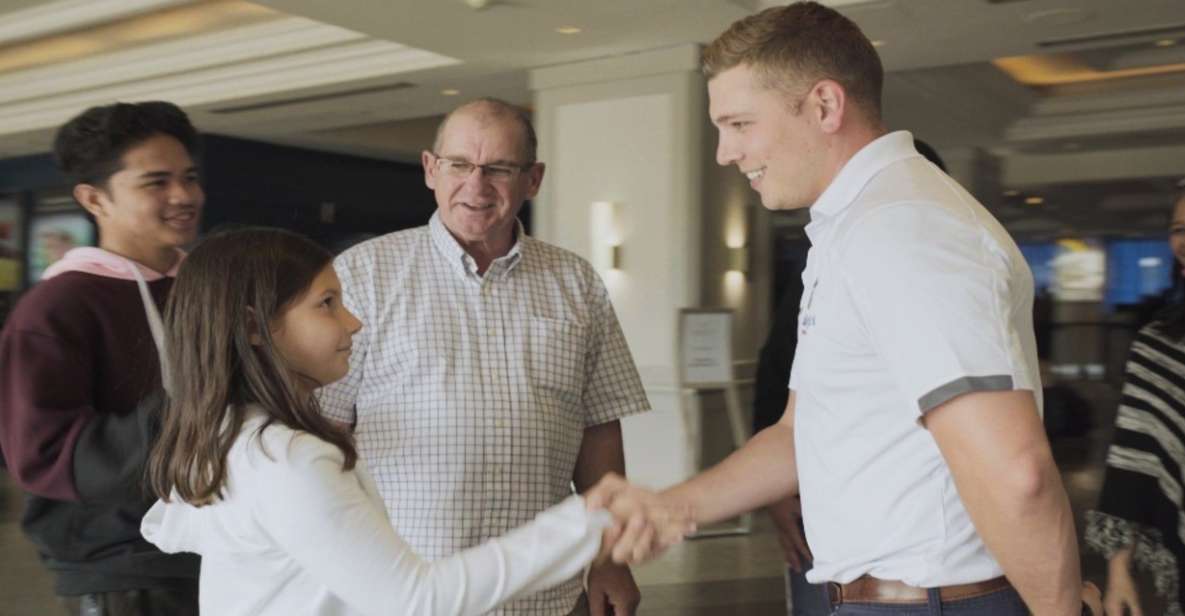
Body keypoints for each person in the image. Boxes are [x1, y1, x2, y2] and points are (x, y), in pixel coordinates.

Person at [606, 3, 1104, 614]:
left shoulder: (903, 230)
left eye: (738, 124)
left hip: (935, 603)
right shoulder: (854, 227)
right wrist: (670, 507)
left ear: (824, 106)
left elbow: (1015, 472)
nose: (724, 153)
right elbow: (800, 431)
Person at [139, 227, 689, 616]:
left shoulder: (230, 436)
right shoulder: (288, 460)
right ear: (256, 327)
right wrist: (588, 522)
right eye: (327, 303)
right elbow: (415, 601)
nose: (353, 322)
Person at [318, 98, 651, 616]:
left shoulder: (576, 282)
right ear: (431, 169)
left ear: (533, 179)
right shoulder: (362, 276)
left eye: (499, 168)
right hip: (406, 589)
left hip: (546, 593)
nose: (476, 186)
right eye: (459, 165)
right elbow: (326, 430)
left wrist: (611, 556)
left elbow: (599, 426)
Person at [0, 101, 203, 615]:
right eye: (156, 182)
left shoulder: (205, 287)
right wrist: (203, 409)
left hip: (216, 550)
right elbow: (46, 456)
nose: (183, 196)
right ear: (94, 199)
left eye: (189, 177)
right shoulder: (56, 307)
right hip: (123, 570)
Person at [752, 138, 948, 616]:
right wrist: (775, 493)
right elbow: (778, 387)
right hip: (828, 524)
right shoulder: (823, 272)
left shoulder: (945, 284)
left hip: (925, 554)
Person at [1086, 188, 1185, 616]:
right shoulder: (1160, 345)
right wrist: (1120, 570)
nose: (1184, 241)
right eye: (1179, 229)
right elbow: (1133, 458)